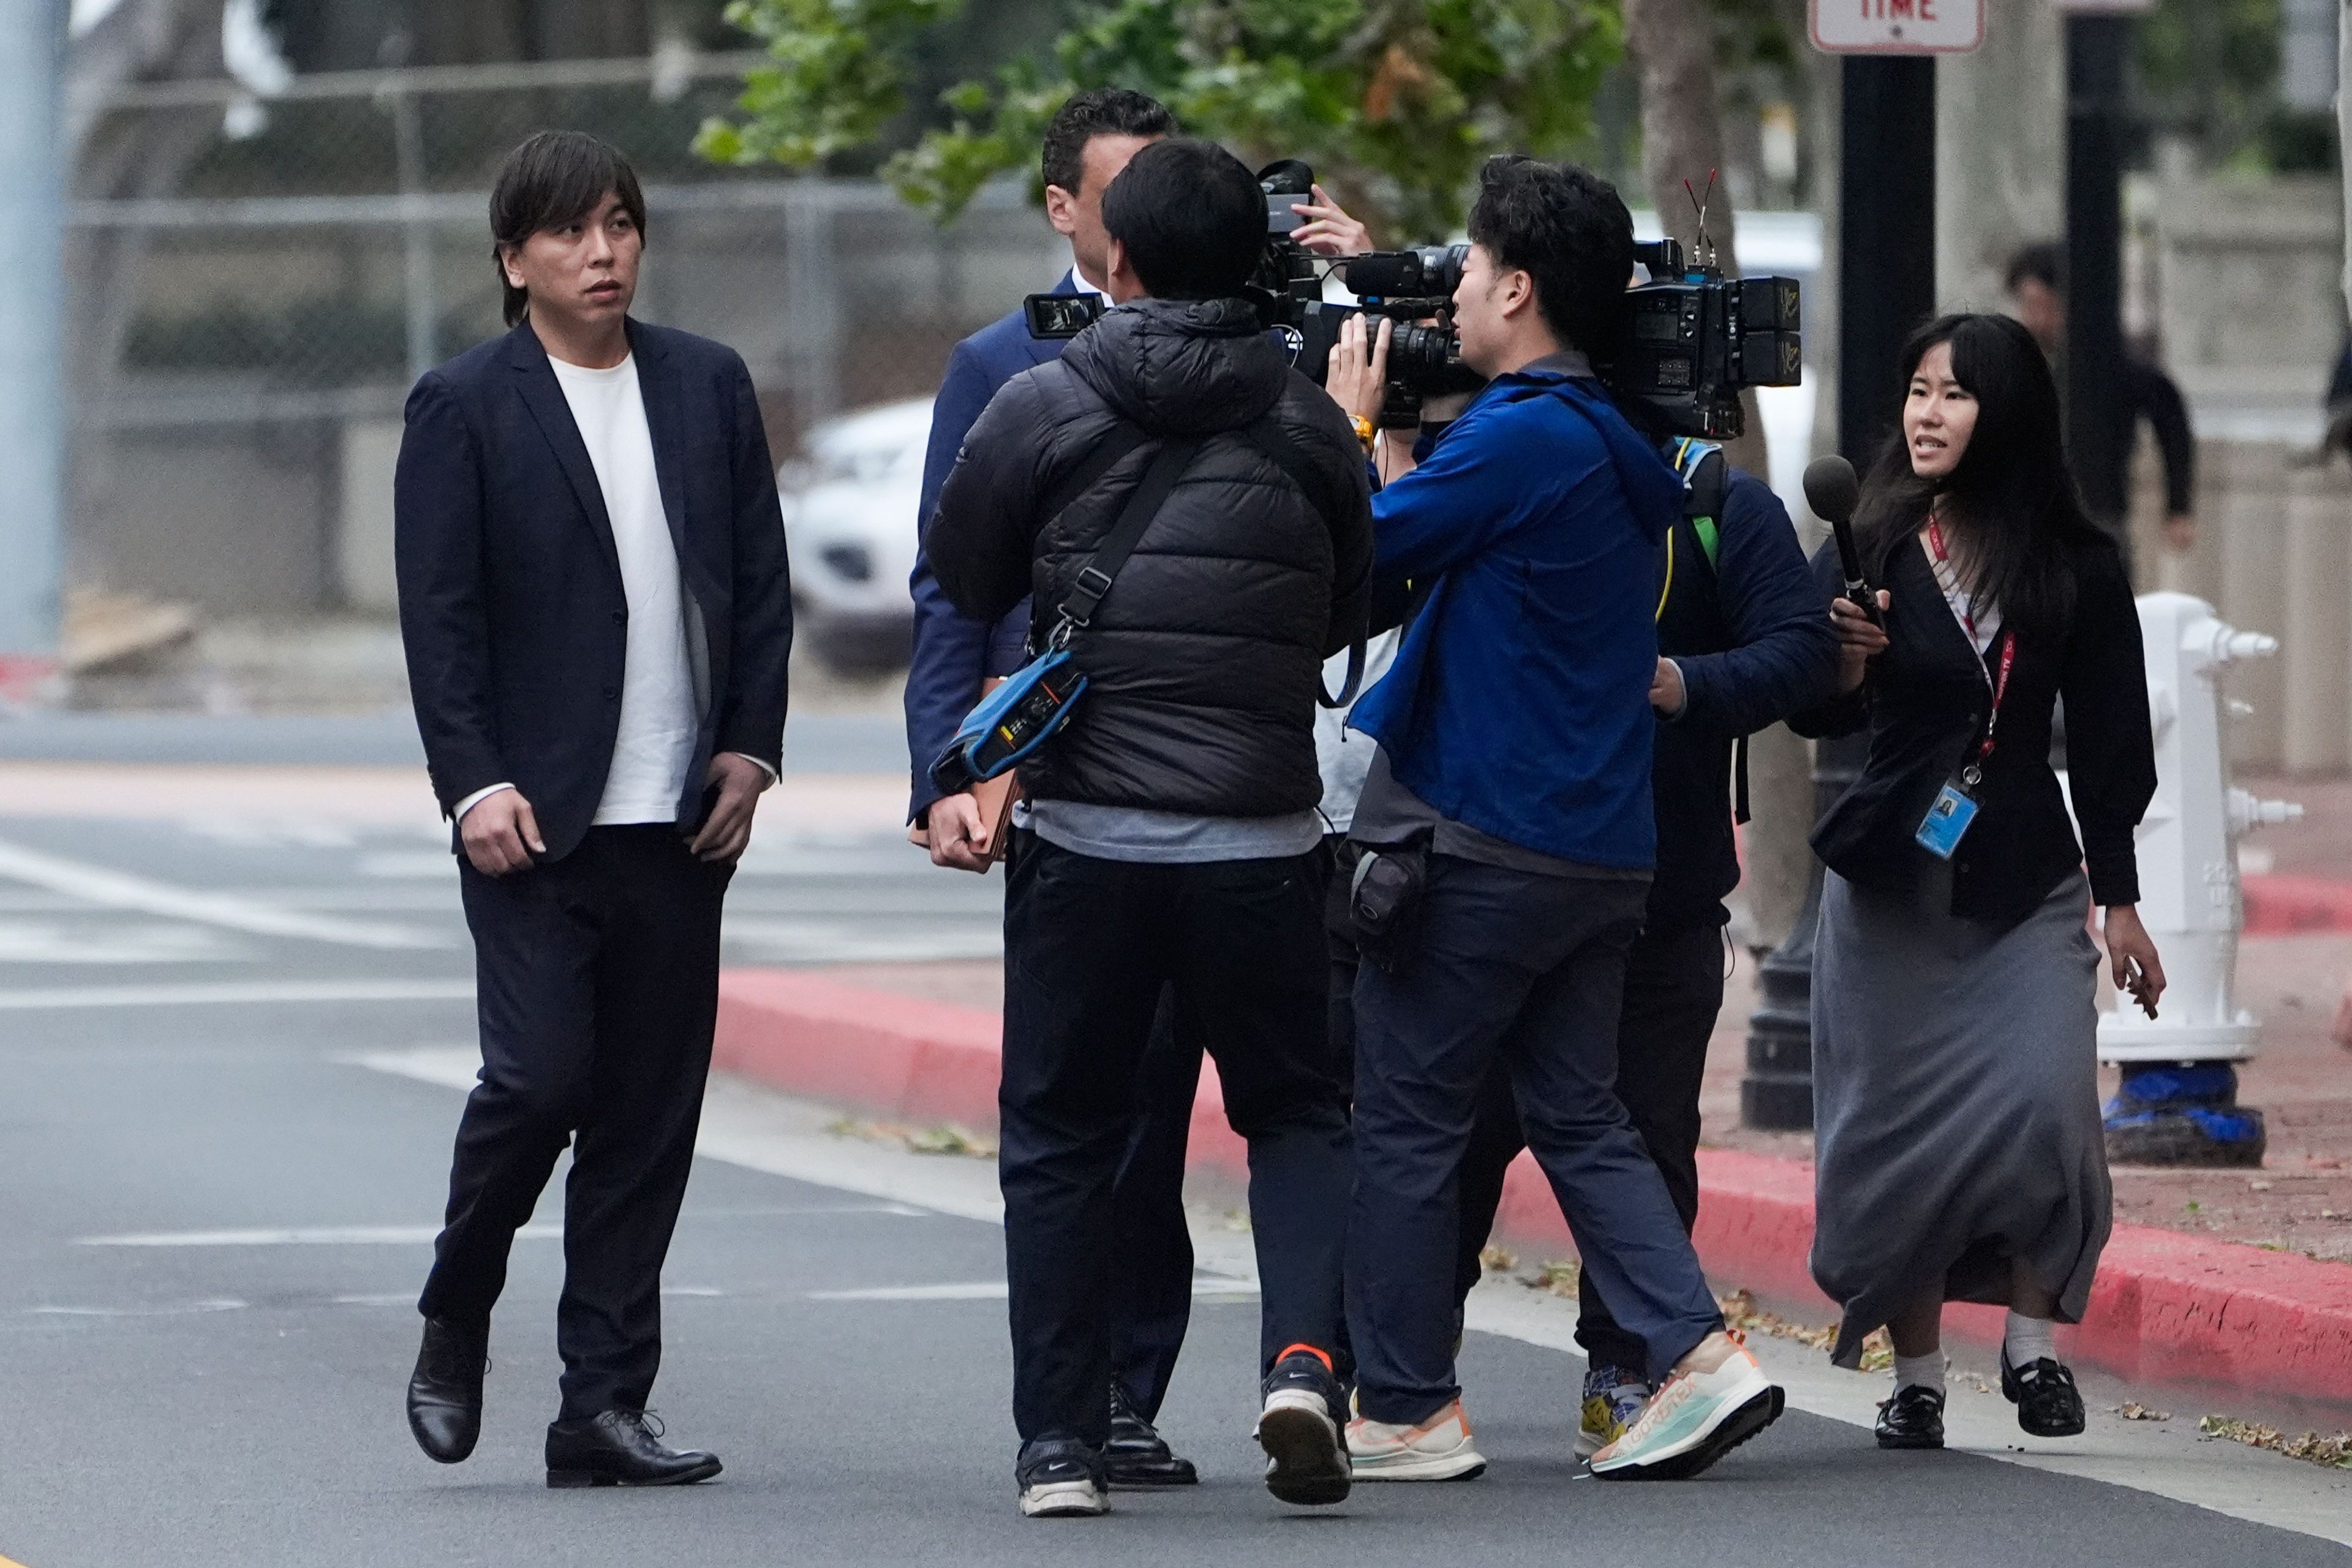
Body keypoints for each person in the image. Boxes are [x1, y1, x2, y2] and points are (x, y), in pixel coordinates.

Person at [926, 136, 1373, 1519]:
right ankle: (1300, 1362)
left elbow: (961, 568)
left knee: (1061, 1135)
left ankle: (1062, 1443)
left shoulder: (1044, 399)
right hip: (1259, 838)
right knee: (1296, 1111)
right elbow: (1350, 605)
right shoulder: (1307, 422)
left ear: (1114, 255)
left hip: (1088, 841)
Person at [1330, 154, 1784, 1484]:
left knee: (1409, 1118)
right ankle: (1696, 1355)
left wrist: (1349, 425)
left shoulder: (1519, 437)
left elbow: (1355, 553)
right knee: (1584, 1116)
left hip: (1482, 840)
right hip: (1599, 848)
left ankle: (1407, 1405)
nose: (1454, 295)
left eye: (1467, 271)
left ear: (1519, 288)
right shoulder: (1609, 440)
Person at [393, 130, 793, 1488]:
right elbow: (439, 621)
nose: (603, 251)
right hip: (534, 817)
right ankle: (460, 1299)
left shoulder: (707, 384)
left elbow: (758, 585)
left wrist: (749, 747)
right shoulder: (465, 404)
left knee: (644, 1118)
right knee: (541, 1076)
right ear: (515, 260)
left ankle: (602, 1407)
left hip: (677, 820)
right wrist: (473, 782)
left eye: (619, 224)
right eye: (569, 232)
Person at [899, 87, 1205, 1490]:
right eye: (1117, 184)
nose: (1140, 209)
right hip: (1061, 783)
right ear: (1063, 211)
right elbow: (951, 590)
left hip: (1226, 780)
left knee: (1168, 1102)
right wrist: (950, 768)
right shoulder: (999, 364)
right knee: (1089, 1109)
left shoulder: (1250, 349)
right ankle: (1087, 1399)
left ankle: (1139, 1385)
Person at [1791, 311, 2163, 1452]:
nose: (1926, 413)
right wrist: (1841, 663)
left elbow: (2108, 741)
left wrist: (2121, 897)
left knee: (2050, 1109)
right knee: (1892, 1134)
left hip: (2024, 876)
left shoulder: (2077, 564)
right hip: (1889, 883)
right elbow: (1809, 703)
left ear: (2007, 412)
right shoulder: (1874, 536)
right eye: (1916, 390)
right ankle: (1915, 1380)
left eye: (1953, 393)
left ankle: (2034, 1350)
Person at [1439, 442, 1839, 1458]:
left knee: (1651, 1143)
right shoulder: (1497, 465)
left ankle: (1624, 1378)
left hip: (1665, 899)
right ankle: (1406, 1373)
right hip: (1497, 894)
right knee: (1453, 1143)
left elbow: (1798, 654)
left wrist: (1682, 684)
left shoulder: (1713, 502)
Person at [2005, 242, 2196, 554]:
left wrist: (2178, 506)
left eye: (2045, 305)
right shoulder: (2020, 362)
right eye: (2027, 305)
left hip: (2096, 515)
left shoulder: (2106, 365)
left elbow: (2170, 414)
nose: (2034, 318)